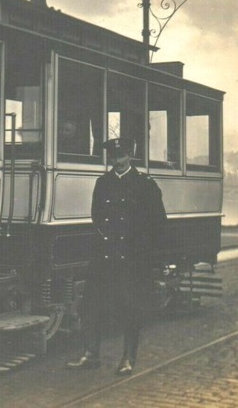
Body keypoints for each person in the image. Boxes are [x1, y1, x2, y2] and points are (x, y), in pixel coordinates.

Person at [67, 137, 166, 376]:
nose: (117, 161)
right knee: (91, 305)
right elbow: (96, 216)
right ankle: (91, 355)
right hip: (105, 256)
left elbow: (158, 222)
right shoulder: (103, 183)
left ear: (130, 156)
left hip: (132, 258)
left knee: (130, 307)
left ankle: (127, 358)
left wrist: (143, 252)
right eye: (113, 157)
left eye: (121, 156)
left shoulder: (145, 184)